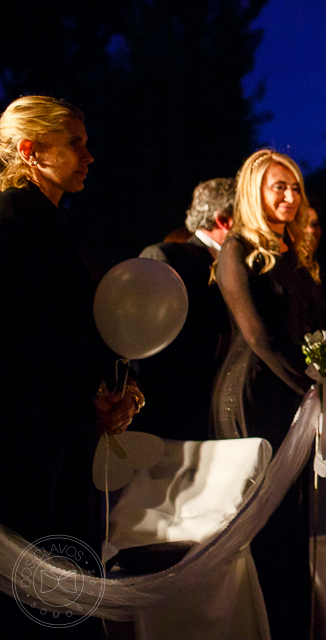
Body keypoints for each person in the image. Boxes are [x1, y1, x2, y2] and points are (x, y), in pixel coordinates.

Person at [0, 95, 141, 637]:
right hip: (30, 435)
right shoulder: (13, 220)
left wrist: (122, 388)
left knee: (64, 575)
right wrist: (90, 392)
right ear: (32, 151)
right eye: (75, 143)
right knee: (41, 580)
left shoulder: (56, 223)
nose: (89, 155)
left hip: (64, 428)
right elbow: (30, 335)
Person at [211, 149, 326, 639]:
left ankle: (295, 627)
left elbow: (311, 333)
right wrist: (314, 392)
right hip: (254, 394)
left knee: (296, 522)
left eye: (295, 187)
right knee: (267, 524)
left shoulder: (296, 256)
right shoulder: (236, 250)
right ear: (254, 191)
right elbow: (259, 338)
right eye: (278, 186)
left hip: (295, 393)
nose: (289, 196)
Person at [135, 177, 235, 440]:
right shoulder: (167, 257)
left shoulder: (249, 269)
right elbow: (145, 349)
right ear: (225, 220)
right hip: (174, 418)